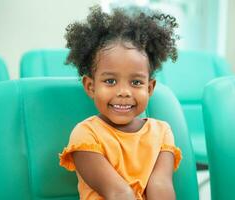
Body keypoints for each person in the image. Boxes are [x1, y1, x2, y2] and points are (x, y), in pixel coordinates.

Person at [59, 5, 181, 200]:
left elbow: (161, 187)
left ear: (149, 89)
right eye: (110, 81)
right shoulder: (85, 134)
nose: (124, 92)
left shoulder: (162, 132)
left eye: (136, 82)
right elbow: (118, 193)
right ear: (91, 86)